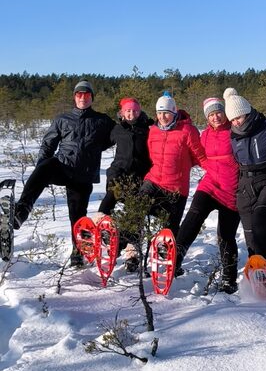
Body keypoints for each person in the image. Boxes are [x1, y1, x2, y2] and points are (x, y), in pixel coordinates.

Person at [14, 80, 115, 266]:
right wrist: (40, 170)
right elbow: (48, 144)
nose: (82, 97)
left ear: (92, 97)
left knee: (77, 216)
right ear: (74, 97)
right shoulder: (63, 119)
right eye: (79, 94)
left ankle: (77, 254)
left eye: (86, 94)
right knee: (45, 166)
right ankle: (21, 211)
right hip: (63, 167)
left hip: (83, 176)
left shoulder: (103, 121)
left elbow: (120, 134)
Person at [175, 96, 240, 293]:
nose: (215, 117)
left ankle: (229, 279)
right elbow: (196, 154)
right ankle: (174, 261)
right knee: (193, 216)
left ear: (225, 112)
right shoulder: (205, 135)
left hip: (232, 190)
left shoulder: (236, 132)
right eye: (211, 114)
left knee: (226, 236)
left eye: (218, 112)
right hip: (210, 185)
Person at [224, 88, 266, 271]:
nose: (236, 122)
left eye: (239, 117)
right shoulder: (232, 135)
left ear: (248, 112)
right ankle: (257, 272)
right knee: (250, 233)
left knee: (261, 223)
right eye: (233, 120)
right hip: (245, 184)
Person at [97, 97, 153, 272]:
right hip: (119, 174)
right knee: (110, 198)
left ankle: (132, 254)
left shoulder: (148, 128)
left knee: (135, 214)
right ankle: (100, 229)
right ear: (122, 113)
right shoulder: (117, 129)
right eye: (128, 111)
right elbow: (98, 143)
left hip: (139, 177)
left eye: (135, 110)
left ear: (140, 111)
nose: (131, 113)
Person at [139, 91, 206, 235]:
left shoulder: (187, 130)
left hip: (177, 187)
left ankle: (166, 254)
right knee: (137, 207)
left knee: (170, 229)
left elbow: (199, 156)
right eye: (159, 113)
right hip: (154, 181)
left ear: (174, 112)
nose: (162, 117)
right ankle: (125, 242)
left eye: (166, 113)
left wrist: (210, 171)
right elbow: (152, 154)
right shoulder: (154, 131)